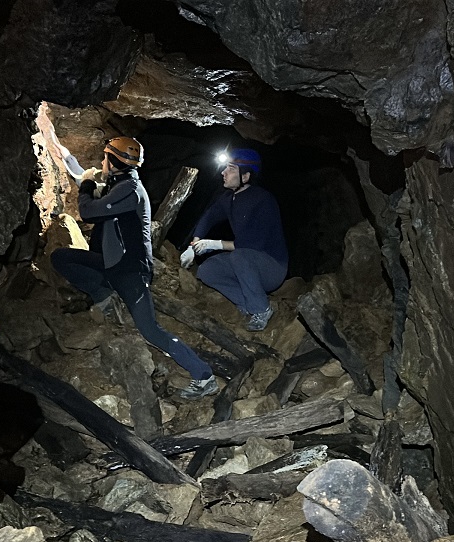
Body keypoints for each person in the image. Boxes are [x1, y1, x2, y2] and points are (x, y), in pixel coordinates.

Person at [50, 136, 219, 400]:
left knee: (150, 329)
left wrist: (85, 185)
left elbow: (89, 211)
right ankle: (104, 296)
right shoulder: (118, 184)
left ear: (113, 162)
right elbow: (86, 180)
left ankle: (204, 375)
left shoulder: (129, 190)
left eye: (105, 157)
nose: (101, 161)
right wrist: (66, 156)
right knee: (61, 258)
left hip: (131, 271)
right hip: (111, 265)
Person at [180, 148, 288, 331]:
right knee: (208, 270)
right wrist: (194, 245)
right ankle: (247, 303)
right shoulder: (229, 198)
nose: (223, 172)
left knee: (240, 256)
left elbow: (252, 244)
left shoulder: (263, 201)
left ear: (245, 177)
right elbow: (209, 217)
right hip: (246, 262)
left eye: (230, 169)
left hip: (271, 267)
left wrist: (214, 244)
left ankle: (262, 309)